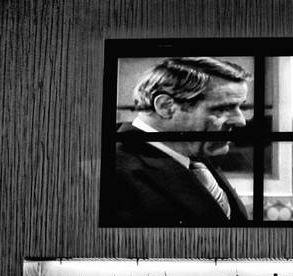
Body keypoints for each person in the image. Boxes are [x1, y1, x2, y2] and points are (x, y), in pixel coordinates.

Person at [104, 57, 251, 227]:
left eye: (241, 107)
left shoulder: (194, 154)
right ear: (166, 106)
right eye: (222, 108)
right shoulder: (111, 173)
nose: (241, 121)